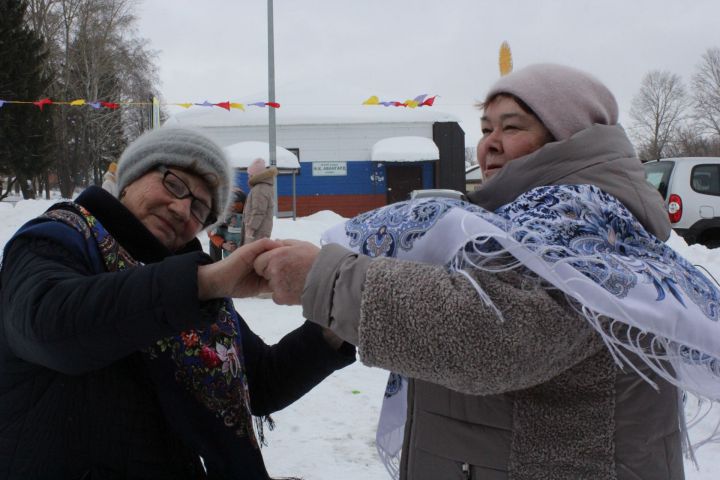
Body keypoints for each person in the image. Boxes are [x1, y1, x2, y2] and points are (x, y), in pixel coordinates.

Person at [253, 64, 696, 479]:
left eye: (512, 126)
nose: (490, 143)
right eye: (486, 129)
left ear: (569, 137)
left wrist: (328, 280)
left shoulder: (588, 224)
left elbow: (495, 331)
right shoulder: (513, 227)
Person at [0, 126, 354, 479]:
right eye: (174, 184)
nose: (183, 209)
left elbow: (259, 381)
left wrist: (338, 312)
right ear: (131, 178)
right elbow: (51, 326)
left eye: (201, 208)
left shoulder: (186, 281)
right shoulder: (57, 237)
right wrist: (204, 283)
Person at [243, 158, 277, 244]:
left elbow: (259, 211)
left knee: (253, 254)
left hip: (256, 234)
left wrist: (250, 229)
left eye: (249, 175)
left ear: (255, 175)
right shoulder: (263, 186)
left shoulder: (260, 188)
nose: (248, 177)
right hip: (260, 231)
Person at [208, 187, 246, 261]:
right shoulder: (214, 210)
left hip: (241, 232)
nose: (231, 206)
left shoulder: (244, 203)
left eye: (233, 203)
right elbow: (210, 232)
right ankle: (215, 265)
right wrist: (223, 244)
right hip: (223, 232)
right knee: (213, 242)